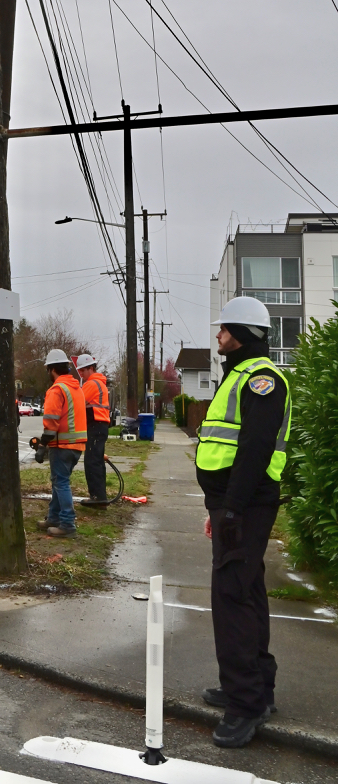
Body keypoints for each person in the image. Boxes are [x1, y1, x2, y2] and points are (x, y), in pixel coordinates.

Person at [196, 296, 291, 749]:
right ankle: (257, 688)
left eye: (225, 329)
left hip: (246, 504)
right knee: (247, 588)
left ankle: (246, 704)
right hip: (234, 503)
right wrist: (219, 506)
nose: (218, 336)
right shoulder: (239, 376)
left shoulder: (263, 380)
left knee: (231, 595)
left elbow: (254, 450)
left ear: (245, 334)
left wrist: (231, 509)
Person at [38, 349, 87, 537]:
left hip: (62, 446)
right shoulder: (76, 388)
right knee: (59, 481)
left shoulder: (57, 389)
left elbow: (51, 423)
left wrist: (43, 445)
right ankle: (54, 518)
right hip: (76, 446)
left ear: (51, 370)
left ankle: (67, 525)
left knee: (61, 483)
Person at [76, 353, 110, 507]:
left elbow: (78, 402)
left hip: (95, 426)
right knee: (97, 461)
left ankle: (97, 497)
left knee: (92, 462)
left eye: (82, 370)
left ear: (90, 368)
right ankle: (100, 496)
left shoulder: (91, 384)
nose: (80, 374)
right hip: (100, 426)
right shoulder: (100, 383)